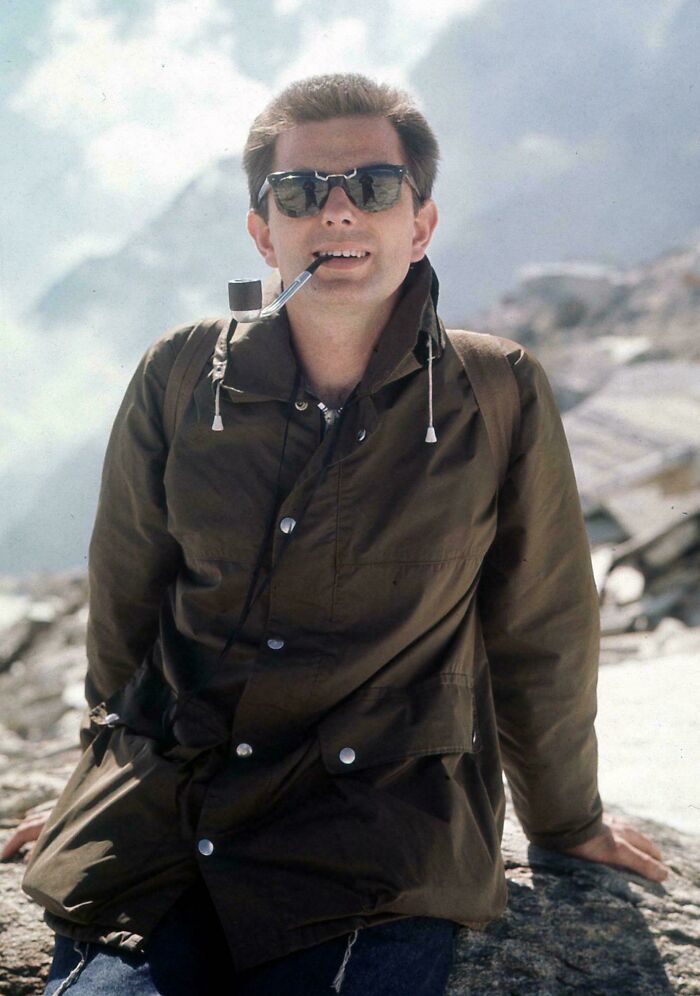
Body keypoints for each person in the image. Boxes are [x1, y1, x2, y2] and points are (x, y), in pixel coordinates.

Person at [3, 73, 668, 995]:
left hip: (377, 840)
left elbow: (542, 628)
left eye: (375, 187)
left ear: (421, 222)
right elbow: (127, 602)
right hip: (168, 824)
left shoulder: (498, 391)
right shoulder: (178, 374)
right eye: (301, 191)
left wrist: (566, 822)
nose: (339, 211)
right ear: (261, 230)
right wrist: (100, 785)